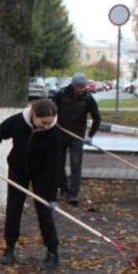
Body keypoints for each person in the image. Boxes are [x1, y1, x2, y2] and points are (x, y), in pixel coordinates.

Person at [0, 98, 61, 270]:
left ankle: (52, 251)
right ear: (34, 114)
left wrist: (52, 196)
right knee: (13, 208)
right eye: (43, 122)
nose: (46, 126)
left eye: (50, 123)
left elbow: (54, 167)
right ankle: (9, 248)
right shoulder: (18, 122)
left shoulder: (54, 133)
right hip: (18, 171)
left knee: (44, 211)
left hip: (41, 174)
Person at [52, 72, 101, 206]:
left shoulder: (88, 98)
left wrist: (90, 135)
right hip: (60, 133)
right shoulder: (62, 94)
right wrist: (52, 122)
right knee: (58, 164)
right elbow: (50, 108)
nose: (82, 89)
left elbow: (97, 118)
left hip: (77, 136)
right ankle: (64, 190)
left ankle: (73, 194)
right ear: (73, 86)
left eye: (84, 86)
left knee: (75, 165)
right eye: (79, 87)